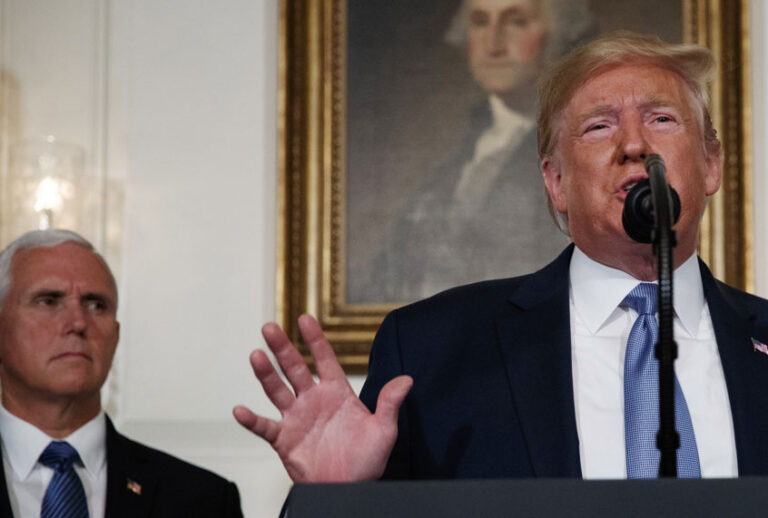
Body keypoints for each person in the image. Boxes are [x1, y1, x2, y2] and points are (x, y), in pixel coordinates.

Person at [234, 32, 768, 482]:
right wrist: (341, 503)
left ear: (710, 165)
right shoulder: (431, 352)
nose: (634, 144)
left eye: (662, 119)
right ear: (556, 182)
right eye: (599, 125)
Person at [0, 229, 243, 517]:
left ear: (115, 337)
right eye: (49, 301)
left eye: (96, 305)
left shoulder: (201, 500)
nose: (78, 322)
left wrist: (311, 488)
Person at [368, 0, 594, 302]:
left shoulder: (582, 150)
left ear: (557, 34)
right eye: (480, 22)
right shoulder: (460, 155)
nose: (493, 44)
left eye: (516, 22)